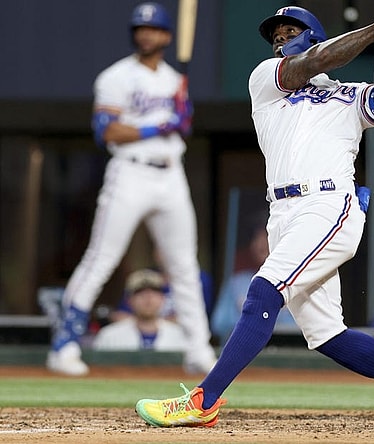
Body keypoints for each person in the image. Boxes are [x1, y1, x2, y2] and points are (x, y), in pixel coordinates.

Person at [134, 4, 374, 431]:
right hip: (283, 212)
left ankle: (203, 400)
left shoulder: (347, 95)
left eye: (292, 30)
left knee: (263, 292)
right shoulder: (266, 79)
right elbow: (319, 60)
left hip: (328, 206)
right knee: (327, 336)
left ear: (316, 35)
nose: (281, 38)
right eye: (277, 33)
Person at [45, 2, 216, 377]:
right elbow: (106, 130)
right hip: (130, 172)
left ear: (167, 37)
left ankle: (198, 349)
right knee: (101, 259)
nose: (145, 34)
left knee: (185, 266)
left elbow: (181, 128)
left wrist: (183, 118)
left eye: (153, 29)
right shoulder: (116, 77)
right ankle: (64, 345)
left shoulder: (174, 80)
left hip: (171, 174)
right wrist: (160, 124)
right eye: (140, 28)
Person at [211, 224, 296, 345]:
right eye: (257, 238)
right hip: (244, 350)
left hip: (287, 352)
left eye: (266, 237)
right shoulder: (238, 282)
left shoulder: (295, 281)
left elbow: (303, 327)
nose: (261, 244)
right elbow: (219, 324)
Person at [92, 269, 188, 351]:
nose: (148, 297)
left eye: (154, 291)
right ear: (129, 300)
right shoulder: (109, 336)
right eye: (140, 291)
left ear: (163, 298)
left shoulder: (181, 335)